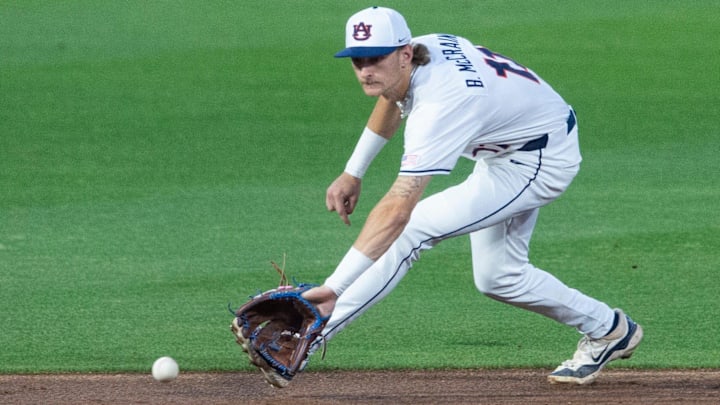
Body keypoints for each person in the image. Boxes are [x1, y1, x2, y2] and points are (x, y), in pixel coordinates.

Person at [301, 6, 643, 385]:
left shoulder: (442, 103)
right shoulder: (421, 51)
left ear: (404, 53)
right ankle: (609, 329)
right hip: (517, 144)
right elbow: (392, 96)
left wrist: (335, 287)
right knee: (499, 277)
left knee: (411, 229)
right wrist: (354, 171)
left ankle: (313, 331)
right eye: (358, 59)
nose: (366, 69)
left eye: (376, 58)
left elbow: (398, 208)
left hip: (539, 160)